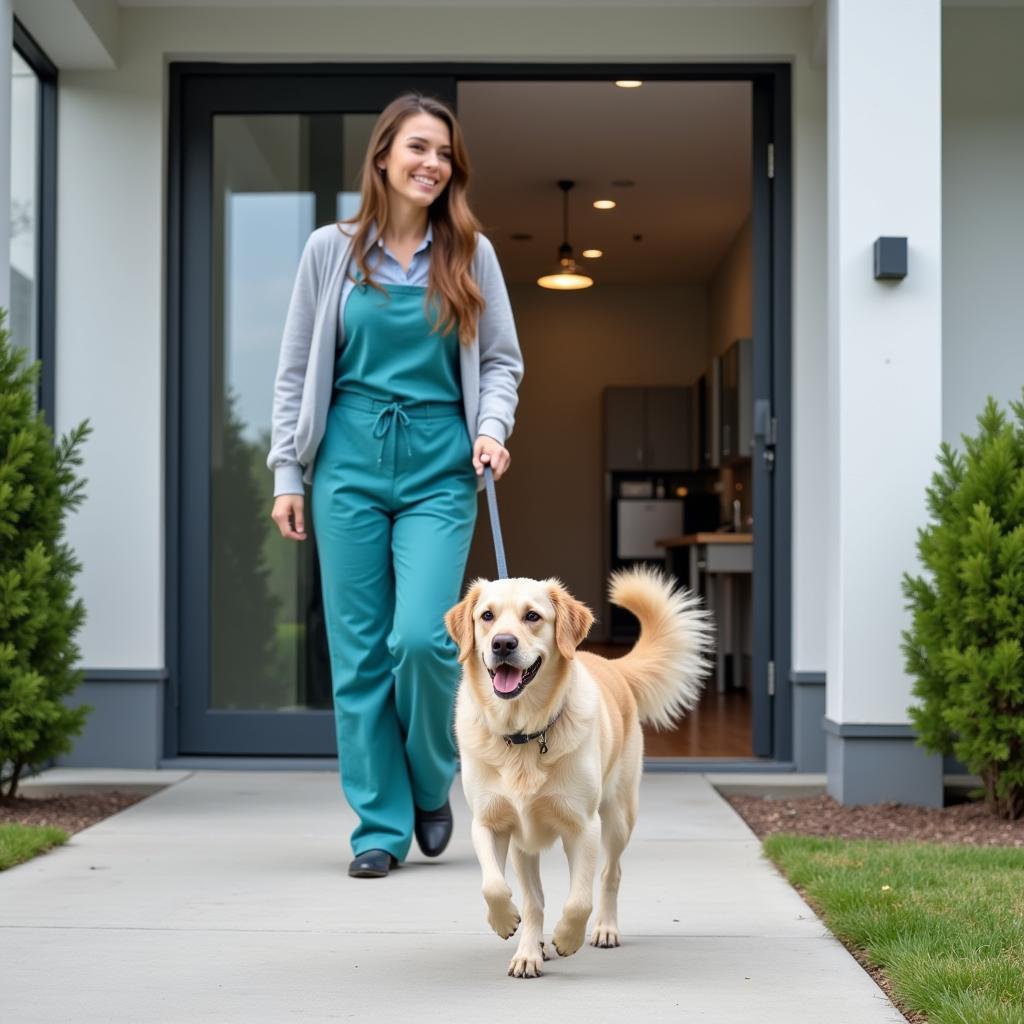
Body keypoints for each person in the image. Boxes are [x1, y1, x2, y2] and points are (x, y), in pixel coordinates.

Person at [267, 93, 523, 879]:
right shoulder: (330, 251)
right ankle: (379, 826)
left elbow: (502, 361)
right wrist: (288, 470)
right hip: (345, 462)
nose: (431, 164)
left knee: (423, 639)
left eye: (443, 154)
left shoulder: (471, 252)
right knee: (358, 654)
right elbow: (295, 370)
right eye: (417, 148)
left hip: (439, 469)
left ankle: (426, 779)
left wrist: (493, 426)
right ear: (382, 157)